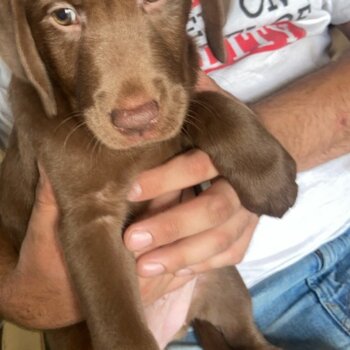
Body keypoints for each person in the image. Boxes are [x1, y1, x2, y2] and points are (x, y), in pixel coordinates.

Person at [0, 1, 349, 349]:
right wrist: (20, 298)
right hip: (112, 317)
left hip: (333, 241)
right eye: (64, 15)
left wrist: (249, 138)